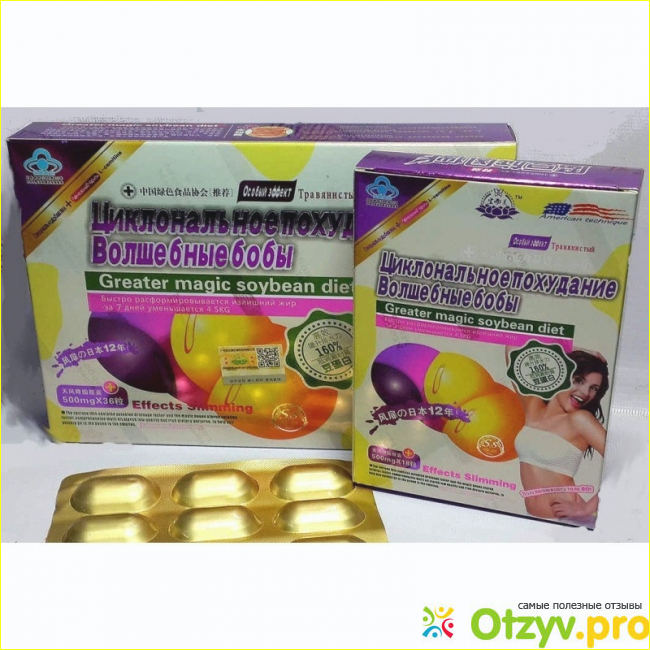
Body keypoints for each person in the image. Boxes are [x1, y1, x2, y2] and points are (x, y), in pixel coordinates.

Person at [509, 349, 609, 524]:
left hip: (567, 521)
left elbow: (624, 463)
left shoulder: (580, 420)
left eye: (593, 388)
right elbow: (514, 347)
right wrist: (579, 352)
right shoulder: (533, 407)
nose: (585, 392)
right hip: (531, 517)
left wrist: (586, 508)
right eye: (578, 380)